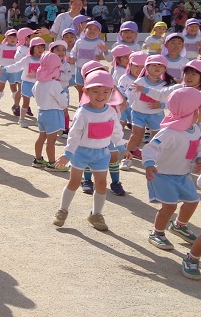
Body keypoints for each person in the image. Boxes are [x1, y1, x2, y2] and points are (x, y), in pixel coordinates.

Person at [53, 72, 125, 231]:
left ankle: (96, 214)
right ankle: (62, 210)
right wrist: (67, 154)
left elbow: (116, 131)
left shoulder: (111, 112)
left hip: (102, 154)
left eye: (106, 91)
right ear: (86, 91)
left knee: (101, 184)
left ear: (112, 92)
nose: (101, 96)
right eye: (96, 91)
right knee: (74, 182)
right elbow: (74, 135)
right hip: (81, 153)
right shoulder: (82, 113)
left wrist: (121, 147)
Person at [140, 87, 201, 254]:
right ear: (191, 111)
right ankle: (157, 232)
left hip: (183, 175)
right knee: (169, 206)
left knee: (193, 201)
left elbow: (198, 148)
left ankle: (179, 226)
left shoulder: (196, 130)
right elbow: (151, 147)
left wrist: (199, 159)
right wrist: (149, 163)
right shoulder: (169, 132)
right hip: (163, 175)